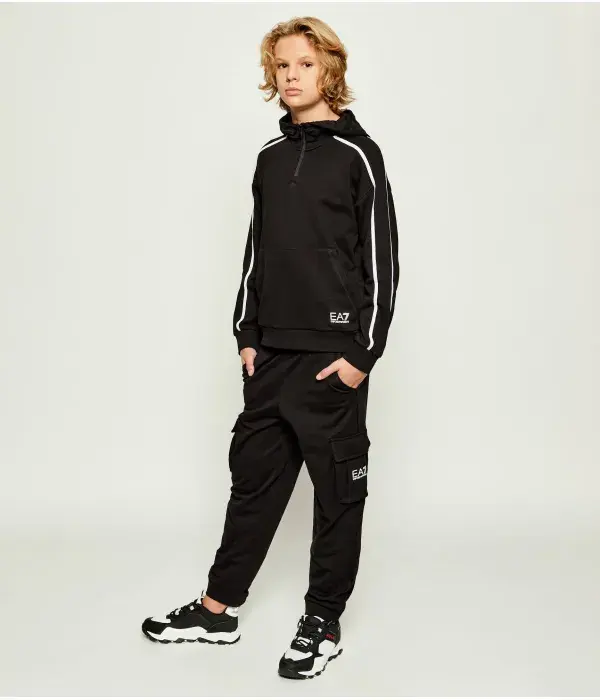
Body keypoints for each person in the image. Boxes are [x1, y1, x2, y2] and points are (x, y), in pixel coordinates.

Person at [141, 15, 399, 680]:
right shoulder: (270, 156)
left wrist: (362, 355)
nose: (291, 76)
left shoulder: (358, 155)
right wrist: (246, 334)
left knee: (337, 494)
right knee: (253, 486)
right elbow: (257, 252)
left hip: (332, 357)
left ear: (330, 69)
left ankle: (323, 622)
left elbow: (382, 260)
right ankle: (217, 609)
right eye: (282, 65)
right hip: (270, 355)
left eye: (305, 64)